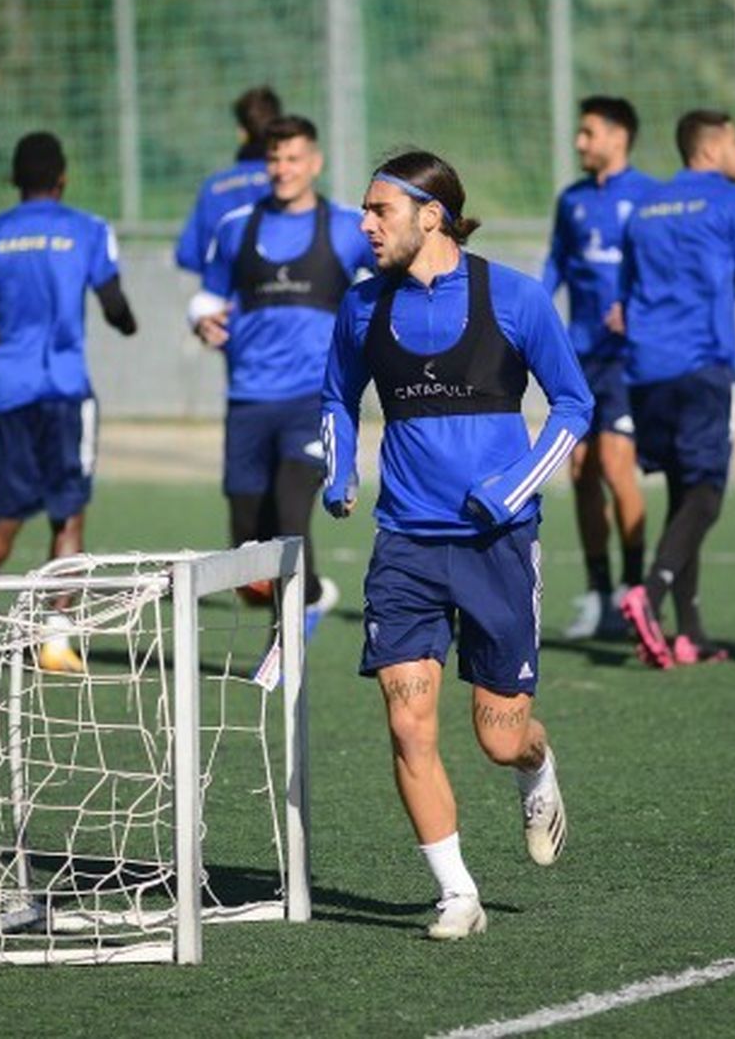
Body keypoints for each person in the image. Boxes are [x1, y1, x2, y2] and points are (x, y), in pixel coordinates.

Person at [321, 150, 593, 941]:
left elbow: (575, 404)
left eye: (379, 210)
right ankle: (456, 894)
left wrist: (516, 487)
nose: (365, 224)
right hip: (404, 544)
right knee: (408, 725)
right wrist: (343, 468)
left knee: (498, 736)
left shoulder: (514, 296)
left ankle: (537, 769)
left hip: (498, 545)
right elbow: (337, 395)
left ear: (429, 215)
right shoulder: (362, 307)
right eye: (364, 212)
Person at [0, 131, 138, 672]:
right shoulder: (87, 229)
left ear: (14, 182)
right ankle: (53, 638)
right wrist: (128, 323)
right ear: (63, 178)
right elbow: (114, 305)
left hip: (8, 393)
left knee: (3, 510)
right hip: (65, 390)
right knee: (67, 516)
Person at [608, 109, 735, 669]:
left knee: (681, 490)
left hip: (646, 372)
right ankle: (651, 593)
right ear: (711, 150)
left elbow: (624, 297)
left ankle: (688, 633)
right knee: (707, 495)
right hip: (704, 370)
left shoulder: (644, 207)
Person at [187, 115, 373, 638]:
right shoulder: (235, 226)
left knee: (291, 511)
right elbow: (207, 295)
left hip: (314, 397)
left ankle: (288, 635)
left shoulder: (345, 226)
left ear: (314, 163)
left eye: (293, 158)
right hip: (247, 397)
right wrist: (201, 319)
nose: (282, 169)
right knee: (248, 541)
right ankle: (310, 592)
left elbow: (386, 282)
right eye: (274, 159)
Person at [542, 96, 657, 639]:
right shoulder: (572, 201)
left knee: (616, 468)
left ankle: (633, 595)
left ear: (618, 136)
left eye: (588, 133)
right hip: (580, 355)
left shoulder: (652, 199)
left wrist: (641, 310)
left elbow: (669, 275)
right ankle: (597, 594)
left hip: (629, 362)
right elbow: (554, 268)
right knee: (581, 472)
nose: (579, 143)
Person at [173, 86, 281, 275]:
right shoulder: (289, 182)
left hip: (226, 299)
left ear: (241, 132)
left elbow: (187, 254)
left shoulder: (214, 187)